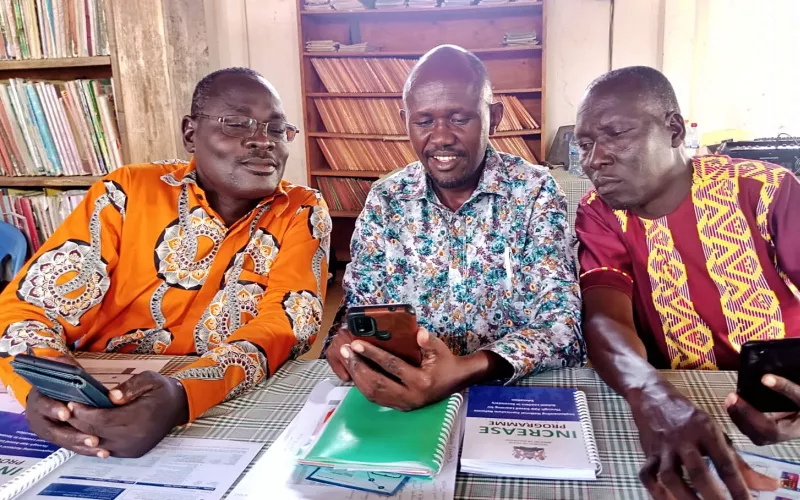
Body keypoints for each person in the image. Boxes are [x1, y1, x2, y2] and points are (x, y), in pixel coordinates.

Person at [0, 67, 331, 459]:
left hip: (218, 398)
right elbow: (28, 308)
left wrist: (185, 394)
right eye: (237, 123)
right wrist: (46, 388)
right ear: (191, 133)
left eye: (276, 130)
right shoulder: (126, 192)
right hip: (93, 393)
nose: (262, 141)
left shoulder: (301, 210)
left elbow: (289, 323)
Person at [574, 65, 800, 499]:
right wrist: (648, 391)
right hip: (673, 399)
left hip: (782, 398)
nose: (593, 158)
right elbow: (604, 316)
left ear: (674, 129)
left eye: (615, 133)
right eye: (585, 144)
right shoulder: (600, 213)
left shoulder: (765, 190)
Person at [323, 45, 585, 411]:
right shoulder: (387, 199)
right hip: (408, 393)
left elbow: (563, 329)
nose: (442, 137)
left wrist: (463, 369)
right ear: (405, 121)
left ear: (494, 117)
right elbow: (361, 309)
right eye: (424, 121)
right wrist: (347, 342)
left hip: (508, 394)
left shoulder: (535, 193)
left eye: (460, 118)